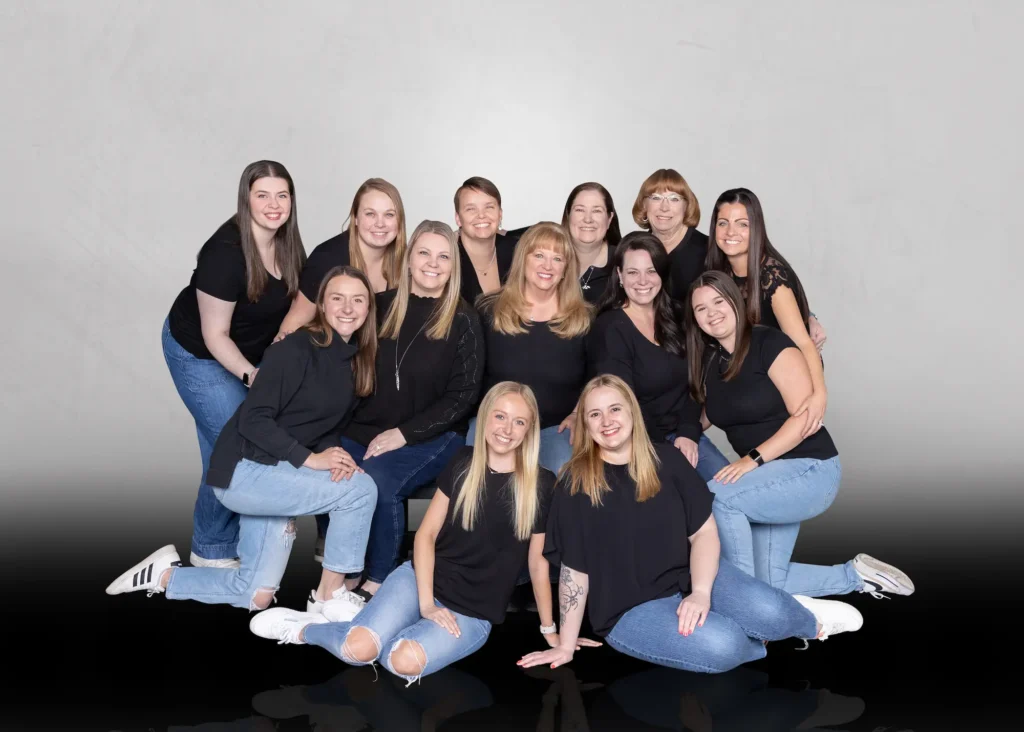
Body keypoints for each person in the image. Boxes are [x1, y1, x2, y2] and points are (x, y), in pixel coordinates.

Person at [249, 382, 601, 683]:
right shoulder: (463, 462)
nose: (507, 429)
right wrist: (427, 604)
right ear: (486, 418)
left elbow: (539, 564)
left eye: (519, 421)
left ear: (529, 429)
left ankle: (368, 627)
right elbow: (426, 536)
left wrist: (550, 631)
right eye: (500, 416)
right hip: (421, 581)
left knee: (403, 663)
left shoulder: (542, 484)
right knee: (357, 651)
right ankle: (303, 629)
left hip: (474, 613)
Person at [518, 374, 865, 675]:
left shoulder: (668, 460)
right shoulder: (574, 484)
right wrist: (564, 644)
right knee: (723, 645)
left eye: (615, 409)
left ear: (632, 413)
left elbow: (704, 533)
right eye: (595, 413)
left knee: (770, 610)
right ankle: (760, 636)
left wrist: (700, 593)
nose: (606, 420)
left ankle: (810, 623)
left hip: (688, 577)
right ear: (586, 424)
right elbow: (573, 573)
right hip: (629, 610)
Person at [107, 267, 379, 615]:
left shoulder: (352, 362)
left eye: (358, 300)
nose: (347, 308)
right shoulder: (294, 349)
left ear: (368, 308)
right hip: (244, 471)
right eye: (337, 298)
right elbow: (253, 419)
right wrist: (310, 461)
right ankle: (328, 597)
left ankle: (163, 576)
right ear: (322, 306)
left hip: (279, 471)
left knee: (254, 595)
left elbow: (319, 424)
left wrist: (332, 455)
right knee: (360, 491)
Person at [684, 271, 915, 598]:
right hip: (768, 475)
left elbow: (806, 416)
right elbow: (704, 418)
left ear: (735, 302)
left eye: (718, 301)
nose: (712, 313)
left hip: (809, 469)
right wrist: (669, 430)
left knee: (719, 496)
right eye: (701, 309)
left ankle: (746, 607)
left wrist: (752, 460)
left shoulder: (770, 343)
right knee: (771, 582)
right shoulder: (711, 363)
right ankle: (858, 577)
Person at [320, 220, 484, 601]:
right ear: (409, 259)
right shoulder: (379, 305)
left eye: (444, 256)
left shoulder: (464, 321)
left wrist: (403, 435)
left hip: (435, 436)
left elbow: (463, 397)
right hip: (366, 427)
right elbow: (343, 360)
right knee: (331, 466)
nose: (433, 263)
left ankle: (378, 579)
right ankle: (342, 572)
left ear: (453, 265)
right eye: (424, 253)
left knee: (378, 481)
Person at [163, 160, 306, 568]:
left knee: (220, 446)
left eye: (282, 195)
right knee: (237, 441)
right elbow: (215, 336)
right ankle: (230, 547)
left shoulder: (287, 242)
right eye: (262, 195)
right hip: (199, 354)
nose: (274, 205)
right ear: (246, 200)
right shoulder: (224, 255)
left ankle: (212, 548)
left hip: (246, 350)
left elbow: (294, 301)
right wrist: (254, 376)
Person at [588, 232, 721, 481]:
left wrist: (689, 433)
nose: (642, 281)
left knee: (731, 489)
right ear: (619, 275)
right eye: (632, 272)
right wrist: (669, 451)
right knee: (690, 504)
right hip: (640, 441)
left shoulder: (680, 315)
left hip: (685, 434)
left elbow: (695, 382)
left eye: (651, 271)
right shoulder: (611, 327)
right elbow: (623, 402)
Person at [468, 222, 592, 475]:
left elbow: (595, 376)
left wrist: (578, 413)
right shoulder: (489, 310)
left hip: (554, 428)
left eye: (557, 258)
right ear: (522, 259)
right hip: (496, 423)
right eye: (539, 255)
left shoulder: (584, 318)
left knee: (561, 471)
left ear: (566, 268)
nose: (547, 266)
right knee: (480, 477)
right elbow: (470, 377)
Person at [705, 188, 828, 435]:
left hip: (788, 375)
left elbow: (803, 342)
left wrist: (820, 395)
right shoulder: (720, 272)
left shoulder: (770, 276)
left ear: (756, 228)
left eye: (742, 224)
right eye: (723, 223)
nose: (731, 232)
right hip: (754, 373)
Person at [277, 178, 407, 337]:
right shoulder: (327, 258)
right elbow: (295, 321)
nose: (380, 223)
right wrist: (281, 355)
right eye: (370, 214)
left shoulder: (406, 261)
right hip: (327, 356)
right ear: (356, 218)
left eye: (389, 214)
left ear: (399, 220)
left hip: (373, 358)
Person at [631, 168, 710, 302]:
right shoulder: (633, 249)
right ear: (644, 205)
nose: (664, 207)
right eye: (656, 198)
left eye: (674, 199)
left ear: (686, 206)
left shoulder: (709, 249)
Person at [453, 177, 523, 306]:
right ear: (458, 218)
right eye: (471, 209)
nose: (481, 215)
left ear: (500, 214)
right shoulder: (447, 257)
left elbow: (544, 230)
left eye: (489, 207)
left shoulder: (515, 250)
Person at [562, 182, 622, 305]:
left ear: (609, 218)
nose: (588, 219)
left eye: (597, 211)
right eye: (580, 210)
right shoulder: (549, 262)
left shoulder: (624, 263)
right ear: (568, 216)